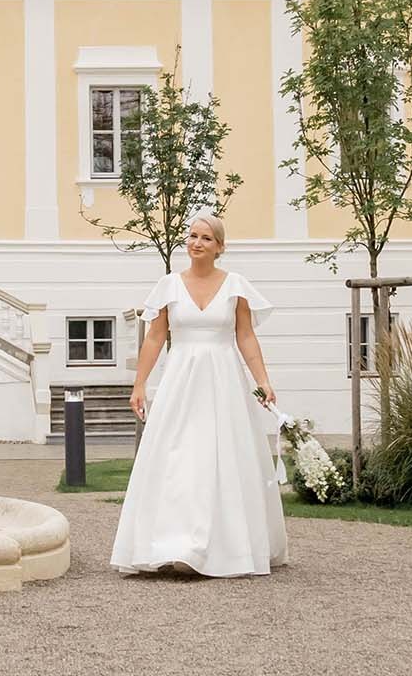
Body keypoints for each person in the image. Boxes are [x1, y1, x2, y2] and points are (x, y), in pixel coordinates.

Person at [109, 212, 287, 577]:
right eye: (192, 236)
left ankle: (226, 548)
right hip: (181, 381)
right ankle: (170, 544)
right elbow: (155, 337)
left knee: (224, 458)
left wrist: (263, 380)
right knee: (177, 457)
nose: (196, 243)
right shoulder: (169, 286)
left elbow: (245, 337)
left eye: (206, 238)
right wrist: (139, 383)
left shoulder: (235, 286)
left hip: (224, 381)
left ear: (219, 247)